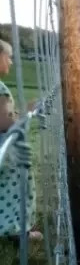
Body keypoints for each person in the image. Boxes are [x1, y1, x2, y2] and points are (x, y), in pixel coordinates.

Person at [0, 38, 42, 241]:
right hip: (8, 155)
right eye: (8, 57)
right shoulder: (1, 90)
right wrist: (27, 113)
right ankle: (18, 231)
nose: (11, 62)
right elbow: (7, 125)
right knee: (16, 191)